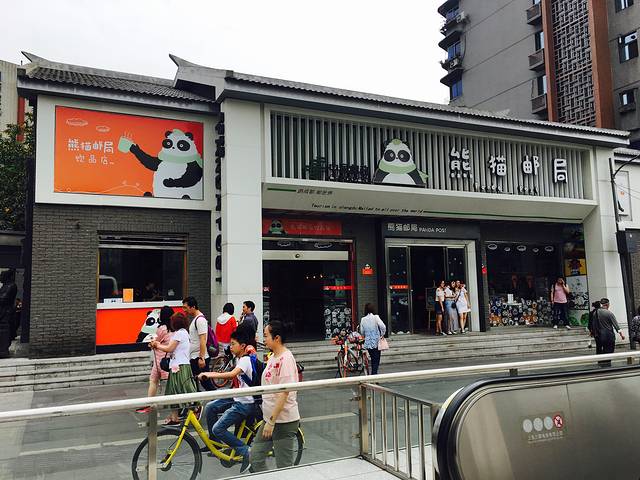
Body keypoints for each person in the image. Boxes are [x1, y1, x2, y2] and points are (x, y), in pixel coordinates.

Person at [198, 329, 255, 473]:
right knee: (210, 407)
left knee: (218, 428)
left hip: (245, 403)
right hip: (235, 396)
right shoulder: (237, 358)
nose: (230, 346)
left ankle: (246, 451)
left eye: (233, 344)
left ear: (242, 346)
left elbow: (231, 375)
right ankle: (216, 444)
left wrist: (209, 375)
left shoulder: (245, 360)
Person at [250, 321, 300, 472]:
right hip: (269, 419)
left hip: (283, 421)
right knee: (256, 458)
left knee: (284, 466)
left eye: (266, 336)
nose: (264, 339)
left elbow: (284, 393)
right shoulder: (273, 356)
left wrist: (271, 422)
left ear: (276, 338)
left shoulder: (286, 359)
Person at [150, 311, 197, 424]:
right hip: (181, 365)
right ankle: (175, 416)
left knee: (178, 391)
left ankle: (194, 408)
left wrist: (157, 345)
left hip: (179, 366)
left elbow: (169, 348)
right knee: (177, 391)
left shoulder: (179, 334)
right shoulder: (184, 333)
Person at [137, 306, 175, 414]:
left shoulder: (162, 328)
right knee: (170, 384)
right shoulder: (175, 328)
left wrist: (152, 344)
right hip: (170, 360)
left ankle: (150, 405)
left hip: (160, 360)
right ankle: (175, 405)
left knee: (153, 381)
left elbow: (155, 341)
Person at [183, 296, 214, 391]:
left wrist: (201, 358)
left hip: (199, 357)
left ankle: (218, 398)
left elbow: (203, 339)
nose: (184, 310)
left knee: (205, 382)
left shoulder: (200, 320)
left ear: (193, 307)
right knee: (198, 382)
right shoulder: (196, 319)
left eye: (185, 307)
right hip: (195, 356)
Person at [589, 298, 625, 366]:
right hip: (608, 335)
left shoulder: (595, 313)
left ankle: (601, 363)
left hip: (598, 335)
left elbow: (593, 324)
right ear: (607, 304)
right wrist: (621, 335)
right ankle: (607, 364)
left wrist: (592, 332)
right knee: (609, 350)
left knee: (600, 349)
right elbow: (616, 325)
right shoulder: (609, 313)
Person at [359, 303, 387, 375]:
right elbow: (383, 326)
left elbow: (362, 331)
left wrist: (366, 335)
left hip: (368, 342)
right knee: (376, 360)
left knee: (372, 358)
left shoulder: (363, 319)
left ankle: (373, 374)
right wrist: (382, 334)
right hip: (376, 341)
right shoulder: (376, 317)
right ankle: (374, 375)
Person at [0, 269, 18, 358]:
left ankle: (3, 351)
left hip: (6, 312)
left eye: (2, 276)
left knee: (4, 330)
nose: (0, 277)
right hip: (2, 311)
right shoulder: (4, 286)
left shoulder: (11, 286)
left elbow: (3, 298)